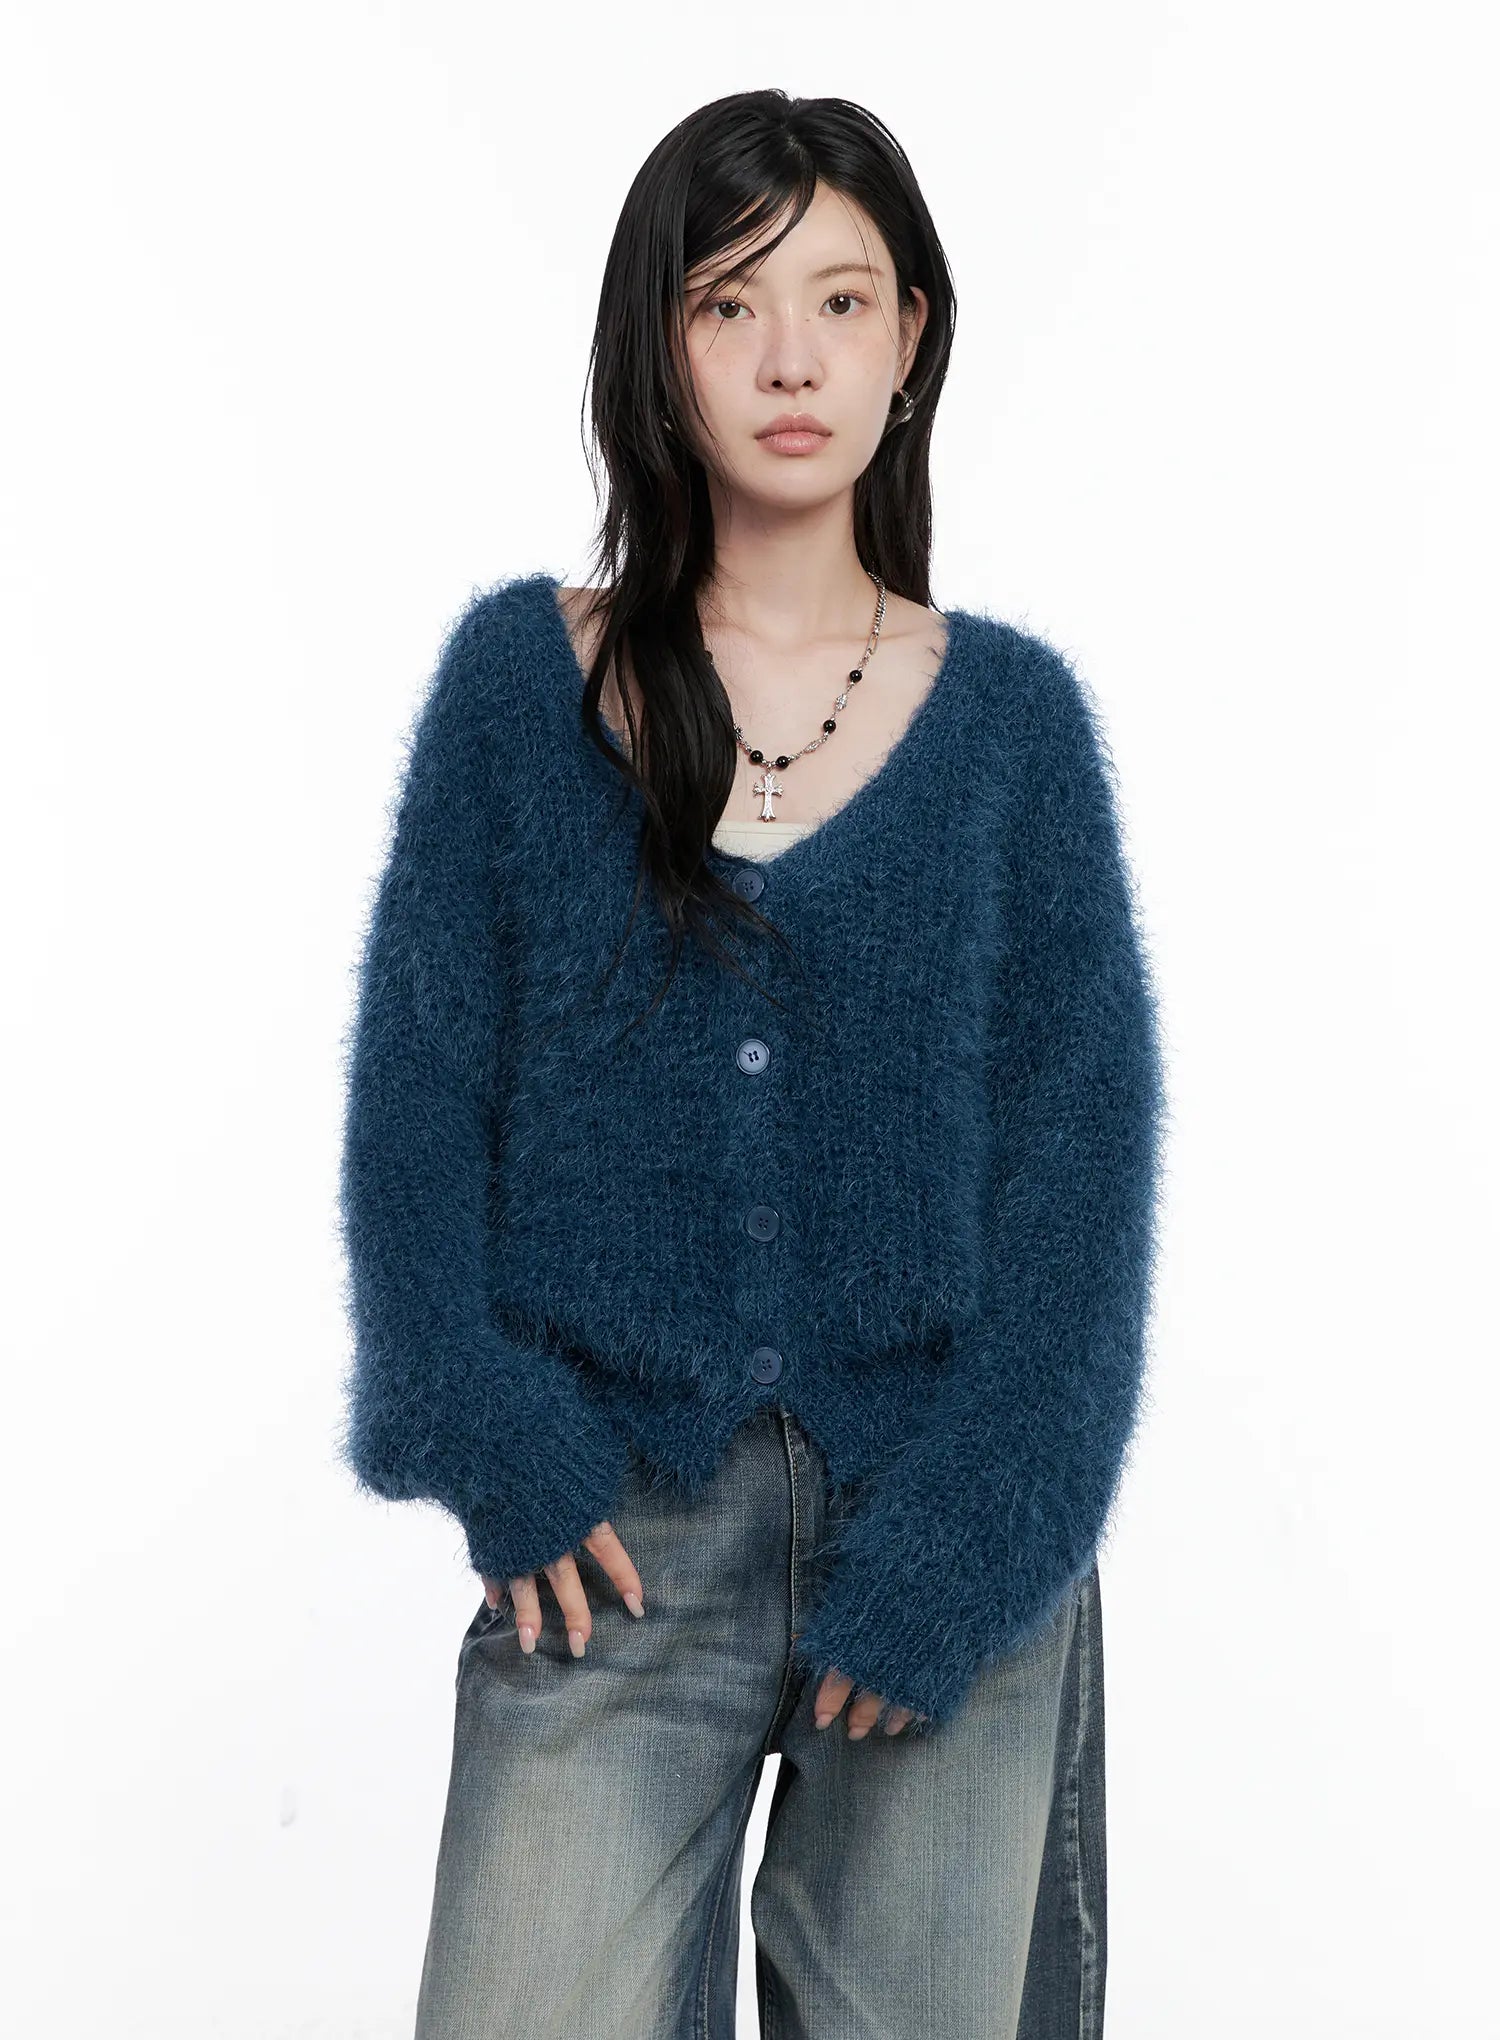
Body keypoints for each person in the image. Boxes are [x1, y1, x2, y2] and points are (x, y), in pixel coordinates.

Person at [336, 88, 1166, 2040]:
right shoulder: (520, 690)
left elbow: (1084, 1180)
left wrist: (968, 1545)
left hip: (941, 1528)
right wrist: (488, 1430)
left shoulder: (1014, 730)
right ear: (661, 343)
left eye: (842, 300)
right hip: (610, 1536)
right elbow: (414, 1106)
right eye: (731, 301)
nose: (792, 357)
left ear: (912, 338)